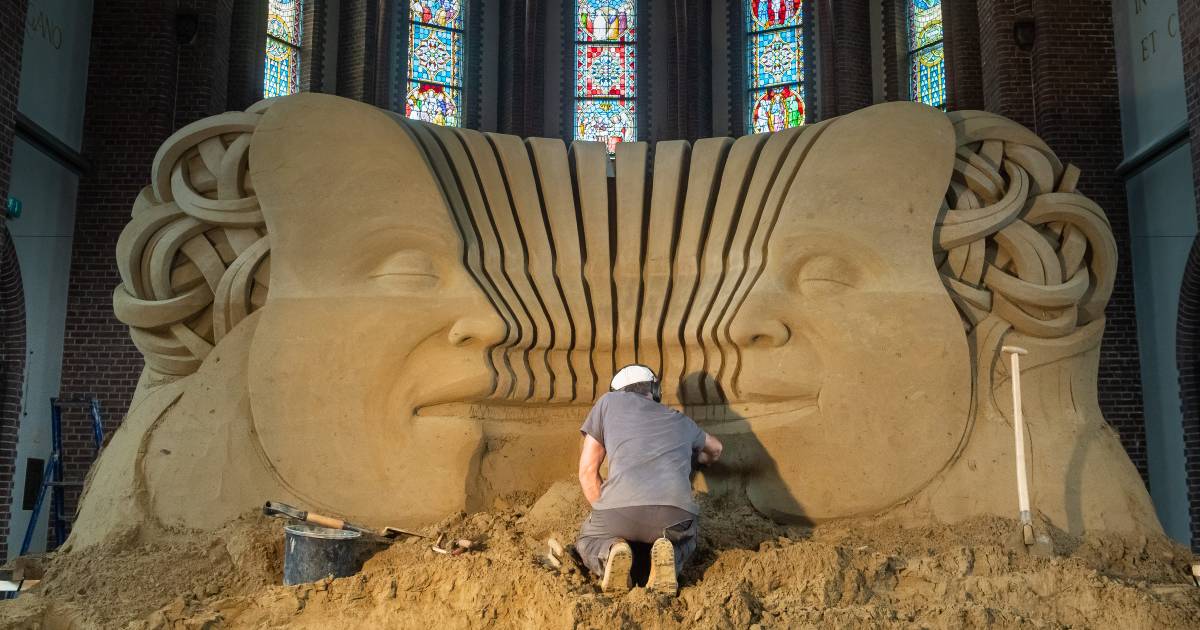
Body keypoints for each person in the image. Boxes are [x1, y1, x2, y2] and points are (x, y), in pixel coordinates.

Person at [574, 365, 724, 595]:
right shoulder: (681, 420)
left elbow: (587, 472)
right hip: (673, 516)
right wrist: (700, 460)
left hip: (619, 512)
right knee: (686, 538)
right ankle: (669, 556)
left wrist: (609, 517)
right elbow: (715, 448)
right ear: (654, 391)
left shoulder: (607, 403)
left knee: (588, 540)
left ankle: (611, 549)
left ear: (617, 391)